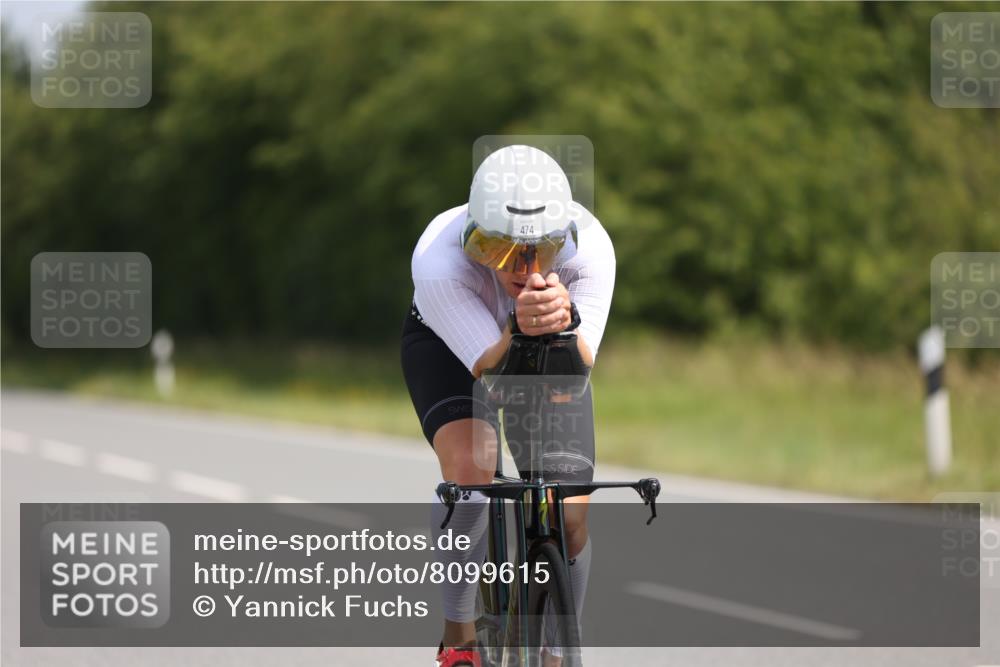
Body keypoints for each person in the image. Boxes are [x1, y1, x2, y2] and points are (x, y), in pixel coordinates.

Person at [400, 144, 615, 667]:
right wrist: (519, 324)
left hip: (549, 349)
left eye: (541, 252)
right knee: (472, 469)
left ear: (563, 242)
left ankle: (560, 643)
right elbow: (490, 370)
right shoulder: (438, 262)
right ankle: (459, 635)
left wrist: (562, 323)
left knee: (569, 514)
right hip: (453, 348)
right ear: (473, 242)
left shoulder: (591, 252)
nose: (522, 267)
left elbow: (579, 364)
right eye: (499, 250)